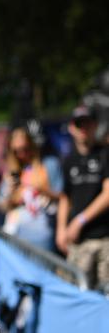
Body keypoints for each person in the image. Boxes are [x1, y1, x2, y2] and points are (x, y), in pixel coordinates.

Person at [56, 105, 109, 291]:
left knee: (105, 296)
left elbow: (108, 193)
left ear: (95, 126)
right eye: (79, 124)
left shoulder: (105, 154)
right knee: (79, 292)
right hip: (79, 243)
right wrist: (61, 229)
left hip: (104, 239)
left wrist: (80, 220)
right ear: (72, 128)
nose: (83, 129)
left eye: (87, 124)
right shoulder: (69, 159)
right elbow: (65, 197)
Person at [0, 126, 63, 251]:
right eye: (16, 151)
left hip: (43, 232)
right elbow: (3, 207)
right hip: (18, 233)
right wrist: (10, 191)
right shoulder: (11, 173)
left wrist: (41, 190)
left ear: (32, 146)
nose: (22, 154)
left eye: (25, 149)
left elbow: (63, 197)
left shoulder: (49, 164)